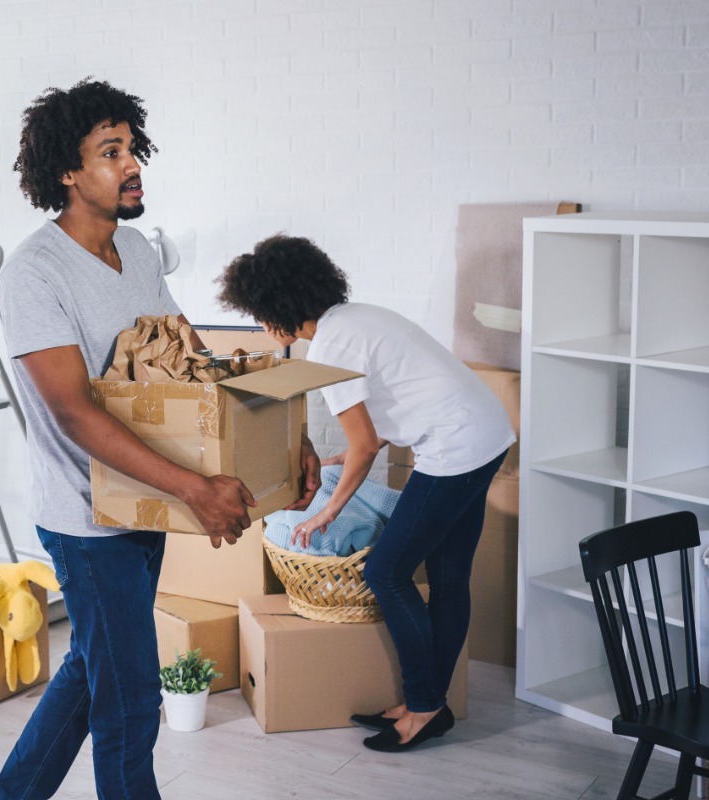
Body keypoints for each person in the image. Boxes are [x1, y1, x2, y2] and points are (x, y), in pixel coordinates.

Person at [0, 79, 320, 799]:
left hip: (143, 506)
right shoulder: (34, 274)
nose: (131, 164)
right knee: (132, 703)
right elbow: (74, 412)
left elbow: (194, 365)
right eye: (111, 152)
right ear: (68, 174)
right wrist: (196, 487)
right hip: (86, 519)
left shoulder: (134, 251)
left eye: (132, 148)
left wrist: (285, 439)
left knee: (91, 670)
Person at [217, 233, 515, 753]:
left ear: (281, 305)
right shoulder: (354, 319)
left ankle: (422, 707)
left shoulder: (331, 347)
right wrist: (350, 452)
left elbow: (365, 445)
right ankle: (431, 705)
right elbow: (385, 411)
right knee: (447, 578)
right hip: (485, 433)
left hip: (456, 449)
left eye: (262, 314)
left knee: (385, 571)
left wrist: (326, 512)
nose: (263, 327)